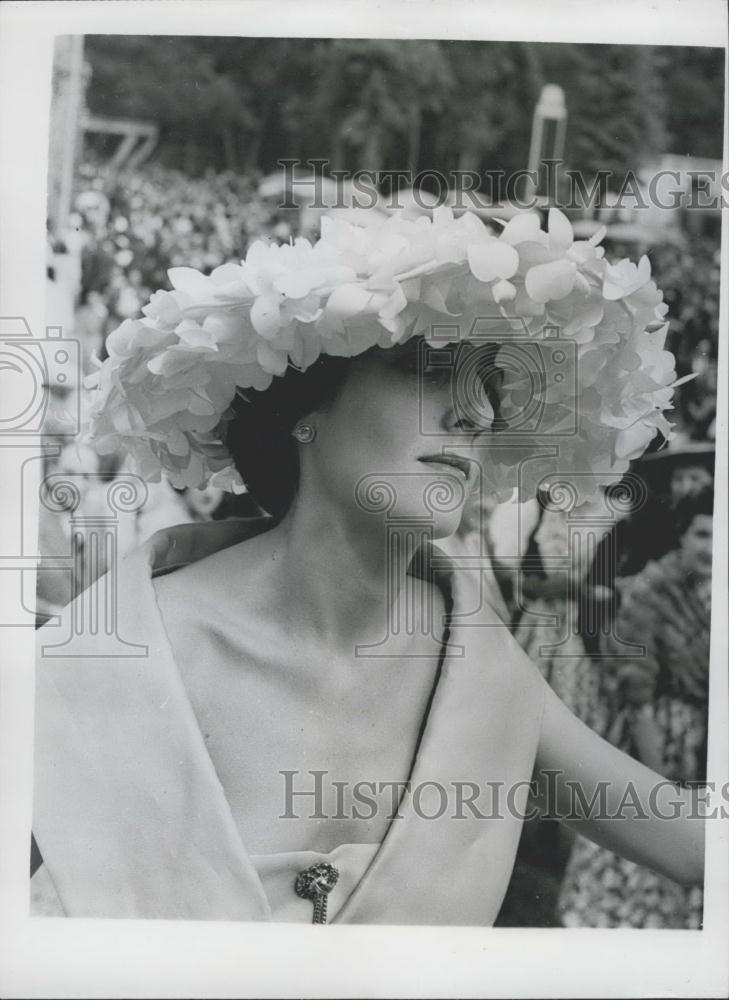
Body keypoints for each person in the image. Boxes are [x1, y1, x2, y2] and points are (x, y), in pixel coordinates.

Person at [32, 207, 705, 923]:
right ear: (301, 406)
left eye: (490, 389)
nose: (473, 415)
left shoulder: (480, 666)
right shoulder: (119, 653)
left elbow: (693, 845)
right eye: (427, 369)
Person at [557, 485, 713, 928]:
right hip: (656, 736)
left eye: (719, 537)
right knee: (648, 839)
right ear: (681, 536)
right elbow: (635, 692)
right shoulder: (652, 592)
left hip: (702, 737)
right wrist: (659, 778)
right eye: (701, 535)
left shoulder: (712, 590)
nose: (710, 549)